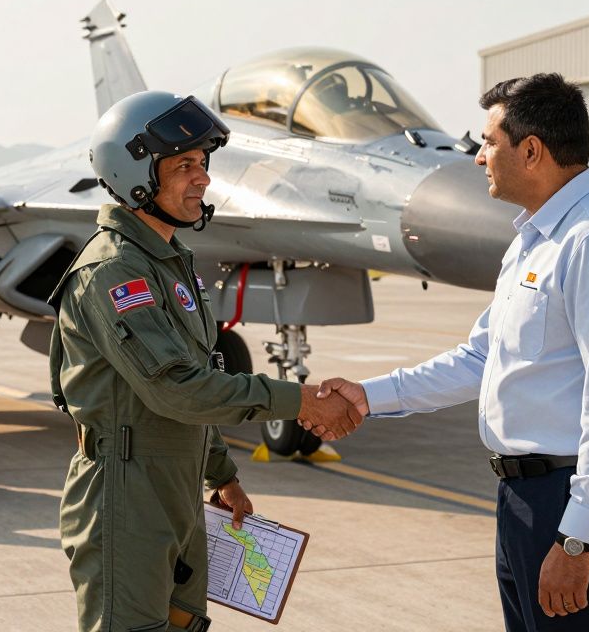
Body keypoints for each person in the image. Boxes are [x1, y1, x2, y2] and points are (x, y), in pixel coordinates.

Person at [316, 74, 589, 631]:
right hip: (525, 499)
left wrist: (577, 538)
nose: (478, 158)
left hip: (573, 506)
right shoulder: (532, 239)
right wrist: (368, 397)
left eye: (488, 142)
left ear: (531, 151)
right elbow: (482, 359)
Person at [49, 91, 363, 632]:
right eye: (185, 166)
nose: (203, 179)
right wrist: (300, 400)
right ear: (136, 174)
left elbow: (201, 378)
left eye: (203, 164)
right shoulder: (113, 272)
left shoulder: (171, 265)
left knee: (184, 624)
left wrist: (222, 475)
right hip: (126, 498)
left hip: (178, 489)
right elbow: (177, 389)